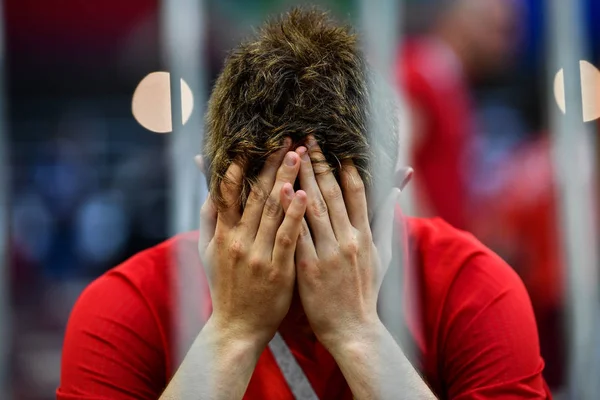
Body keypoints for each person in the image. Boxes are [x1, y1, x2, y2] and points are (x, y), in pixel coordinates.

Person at [57, 9, 551, 399]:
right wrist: (232, 332)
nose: (312, 256)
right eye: (266, 216)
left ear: (397, 191)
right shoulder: (128, 307)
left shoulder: (474, 290)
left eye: (340, 218)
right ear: (209, 189)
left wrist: (358, 334)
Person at [397, 0, 521, 230]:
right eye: (499, 30)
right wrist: (430, 246)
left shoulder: (445, 79)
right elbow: (395, 161)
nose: (507, 46)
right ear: (464, 21)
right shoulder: (420, 75)